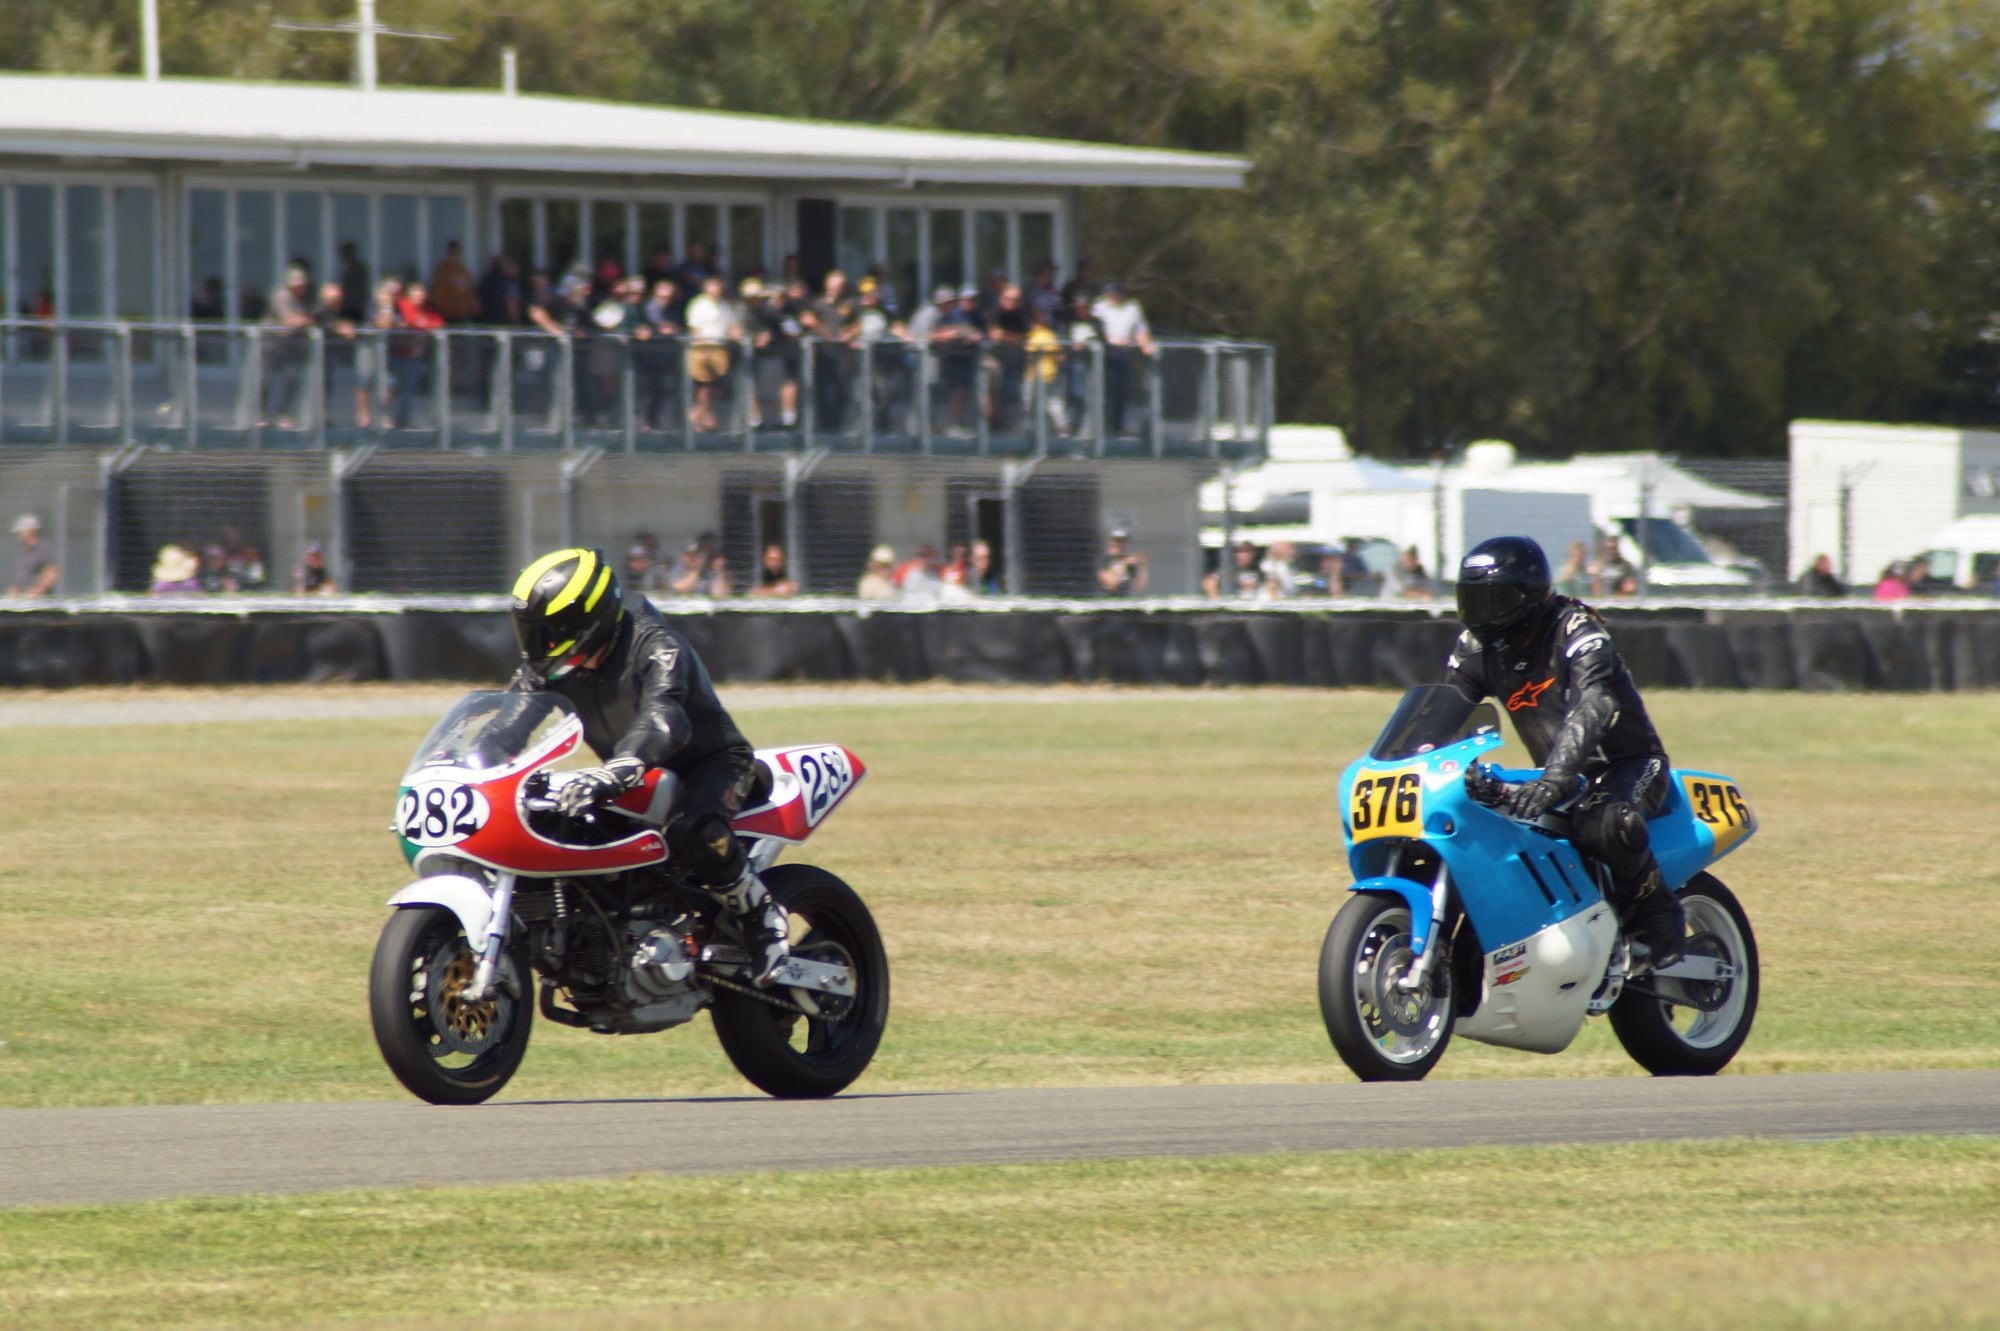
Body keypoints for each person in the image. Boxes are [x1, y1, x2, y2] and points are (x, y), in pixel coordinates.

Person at [507, 548, 790, 984]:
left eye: (549, 629)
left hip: (709, 763)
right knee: (558, 823)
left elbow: (664, 717)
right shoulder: (552, 667)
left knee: (692, 828)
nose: (538, 643)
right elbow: (512, 720)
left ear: (587, 618)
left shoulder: (655, 644)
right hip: (629, 774)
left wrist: (619, 768)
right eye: (532, 630)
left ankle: (761, 917)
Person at [1447, 536, 1685, 967]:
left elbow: (1597, 703)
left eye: (1493, 601)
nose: (1481, 616)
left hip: (1627, 763)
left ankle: (1660, 914)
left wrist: (1554, 779)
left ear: (1529, 595)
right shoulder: (1477, 647)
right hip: (1558, 773)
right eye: (1472, 601)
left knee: (1603, 819)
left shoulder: (1575, 628)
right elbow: (1446, 709)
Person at [8, 512, 59, 597]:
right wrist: (14, 590)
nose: (19, 535)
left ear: (30, 531)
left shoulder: (42, 549)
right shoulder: (23, 551)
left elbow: (52, 572)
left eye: (21, 532)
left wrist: (38, 590)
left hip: (38, 602)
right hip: (22, 599)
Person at [429, 241, 478, 323]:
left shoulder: (463, 270)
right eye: (453, 252)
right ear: (448, 252)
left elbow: (470, 290)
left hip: (464, 314)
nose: (455, 255)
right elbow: (438, 292)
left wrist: (472, 305)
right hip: (448, 315)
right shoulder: (443, 270)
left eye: (457, 252)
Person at [1098, 529, 1148, 596]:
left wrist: (1143, 565)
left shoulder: (1128, 561)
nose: (1119, 544)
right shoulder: (1104, 560)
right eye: (1116, 540)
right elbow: (1111, 585)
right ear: (1111, 541)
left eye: (1122, 541)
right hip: (1107, 602)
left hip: (1124, 600)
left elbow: (1138, 586)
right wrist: (1123, 563)